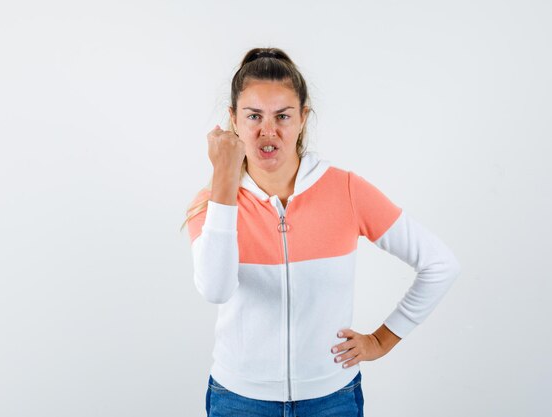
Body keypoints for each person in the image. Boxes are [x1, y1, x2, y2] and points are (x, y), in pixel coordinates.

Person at [181, 47, 461, 417]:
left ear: (303, 119)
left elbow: (440, 264)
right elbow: (216, 290)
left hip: (332, 399)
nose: (269, 131)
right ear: (233, 120)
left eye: (283, 116)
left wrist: (382, 339)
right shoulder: (213, 204)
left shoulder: (345, 190)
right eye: (253, 116)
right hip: (239, 400)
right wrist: (224, 180)